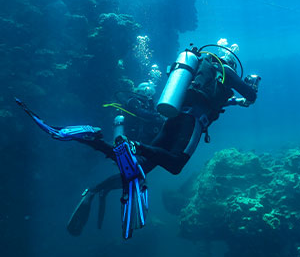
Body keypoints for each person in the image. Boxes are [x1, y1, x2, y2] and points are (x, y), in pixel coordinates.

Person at [16, 42, 261, 238]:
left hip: (173, 118)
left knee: (140, 167)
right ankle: (134, 145)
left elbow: (221, 101)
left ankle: (93, 144)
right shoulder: (226, 71)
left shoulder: (202, 72)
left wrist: (236, 100)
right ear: (230, 61)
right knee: (175, 165)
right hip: (192, 122)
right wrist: (251, 87)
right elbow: (249, 94)